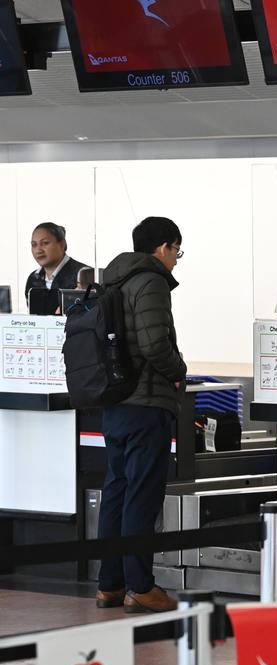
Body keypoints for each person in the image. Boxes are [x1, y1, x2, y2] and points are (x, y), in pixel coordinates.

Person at [95, 217, 187, 613]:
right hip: (145, 403)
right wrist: (180, 372)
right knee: (141, 496)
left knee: (116, 490)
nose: (177, 262)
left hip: (114, 402)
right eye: (177, 252)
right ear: (163, 247)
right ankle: (141, 585)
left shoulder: (112, 280)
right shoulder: (149, 281)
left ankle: (110, 584)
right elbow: (154, 345)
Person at [25, 222, 90, 315]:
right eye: (34, 245)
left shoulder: (83, 275)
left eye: (45, 243)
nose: (38, 250)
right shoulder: (33, 279)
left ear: (62, 244)